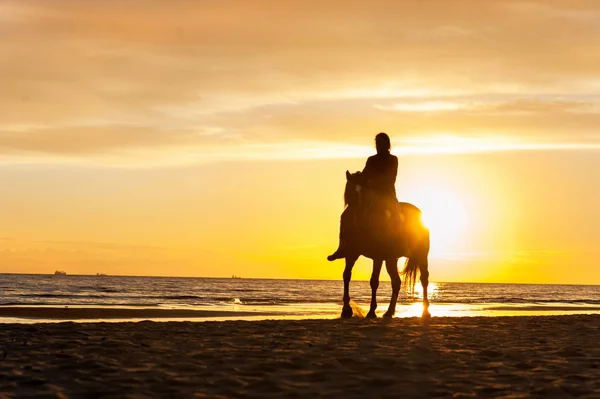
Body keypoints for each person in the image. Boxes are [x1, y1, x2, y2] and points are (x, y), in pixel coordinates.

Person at [327, 132, 403, 261]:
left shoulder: (392, 159)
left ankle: (400, 242)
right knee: (346, 215)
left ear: (387, 144)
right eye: (376, 143)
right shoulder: (371, 159)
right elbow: (365, 174)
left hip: (387, 194)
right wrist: (356, 178)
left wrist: (372, 182)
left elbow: (390, 178)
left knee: (396, 213)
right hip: (370, 194)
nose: (378, 145)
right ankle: (342, 247)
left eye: (380, 143)